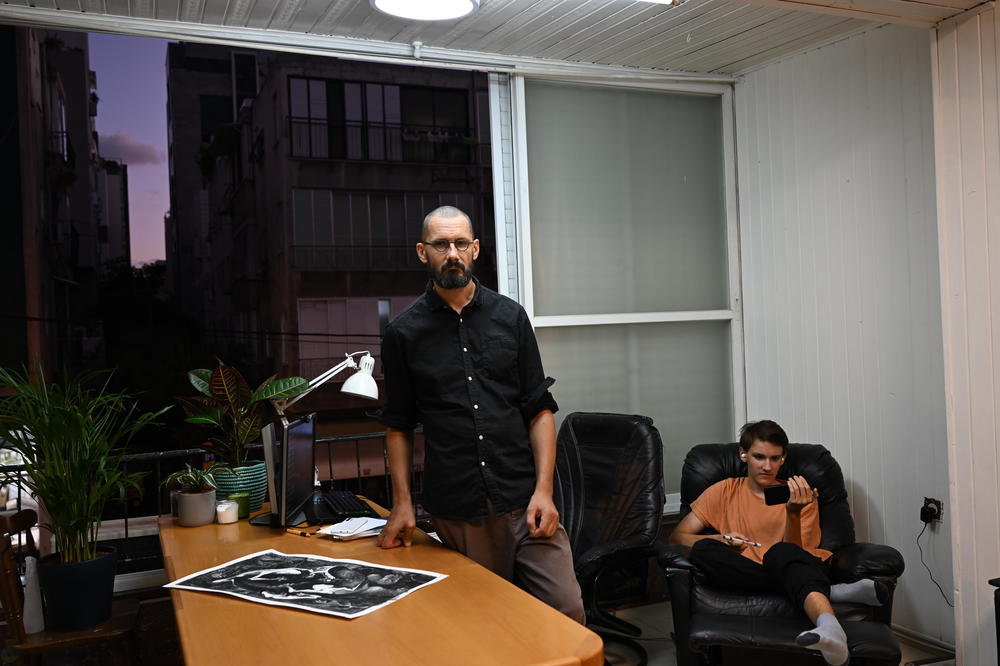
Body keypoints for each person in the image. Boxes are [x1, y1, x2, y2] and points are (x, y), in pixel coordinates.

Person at [375, 205, 584, 623]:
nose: (451, 253)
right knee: (487, 622)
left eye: (459, 244)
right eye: (440, 245)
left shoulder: (510, 317)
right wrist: (402, 505)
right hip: (460, 508)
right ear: (422, 252)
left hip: (525, 501)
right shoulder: (403, 332)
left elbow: (539, 409)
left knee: (566, 610)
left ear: (474, 250)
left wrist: (544, 490)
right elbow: (398, 425)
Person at [668, 420, 887, 666]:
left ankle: (830, 629)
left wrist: (793, 512)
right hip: (744, 571)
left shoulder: (800, 496)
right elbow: (677, 537)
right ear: (743, 454)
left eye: (775, 458)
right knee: (704, 549)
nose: (767, 466)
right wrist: (721, 538)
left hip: (796, 564)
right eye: (759, 457)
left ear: (784, 458)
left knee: (780, 552)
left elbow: (798, 554)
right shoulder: (723, 491)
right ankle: (829, 592)